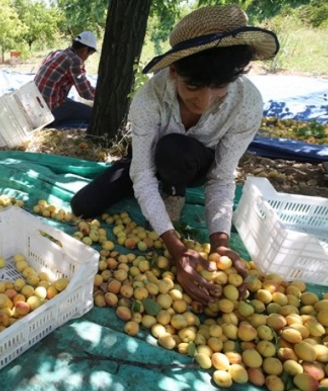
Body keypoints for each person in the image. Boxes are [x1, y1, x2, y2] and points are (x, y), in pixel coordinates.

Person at [70, 5, 279, 304]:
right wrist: (176, 248)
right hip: (152, 156)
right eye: (193, 86)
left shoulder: (246, 103)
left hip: (192, 163)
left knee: (175, 152)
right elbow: (142, 173)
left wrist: (219, 243)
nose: (204, 102)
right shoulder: (149, 99)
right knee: (83, 204)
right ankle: (155, 186)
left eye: (219, 86)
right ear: (174, 70)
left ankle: (173, 189)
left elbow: (221, 178)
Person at [34, 31, 97, 127]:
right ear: (84, 50)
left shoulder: (56, 53)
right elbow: (86, 93)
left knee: (73, 104)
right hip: (50, 109)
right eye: (89, 54)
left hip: (36, 104)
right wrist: (103, 96)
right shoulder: (74, 61)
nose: (87, 58)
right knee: (93, 114)